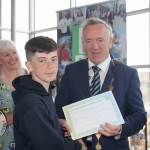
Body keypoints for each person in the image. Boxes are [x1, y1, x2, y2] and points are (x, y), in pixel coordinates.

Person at [55, 18, 146, 150]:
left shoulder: (128, 74)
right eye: (89, 41)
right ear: (83, 44)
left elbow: (139, 116)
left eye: (100, 40)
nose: (95, 46)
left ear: (110, 42)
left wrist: (120, 128)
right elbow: (58, 110)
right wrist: (63, 123)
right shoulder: (71, 71)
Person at [12, 36, 87, 150]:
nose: (50, 66)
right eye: (42, 60)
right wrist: (78, 146)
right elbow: (51, 146)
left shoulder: (43, 92)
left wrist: (57, 123)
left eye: (53, 59)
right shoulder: (32, 103)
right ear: (29, 66)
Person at [0, 39, 25, 149]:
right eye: (6, 55)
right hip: (4, 142)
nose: (12, 57)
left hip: (28, 140)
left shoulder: (29, 77)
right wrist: (22, 115)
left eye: (14, 52)